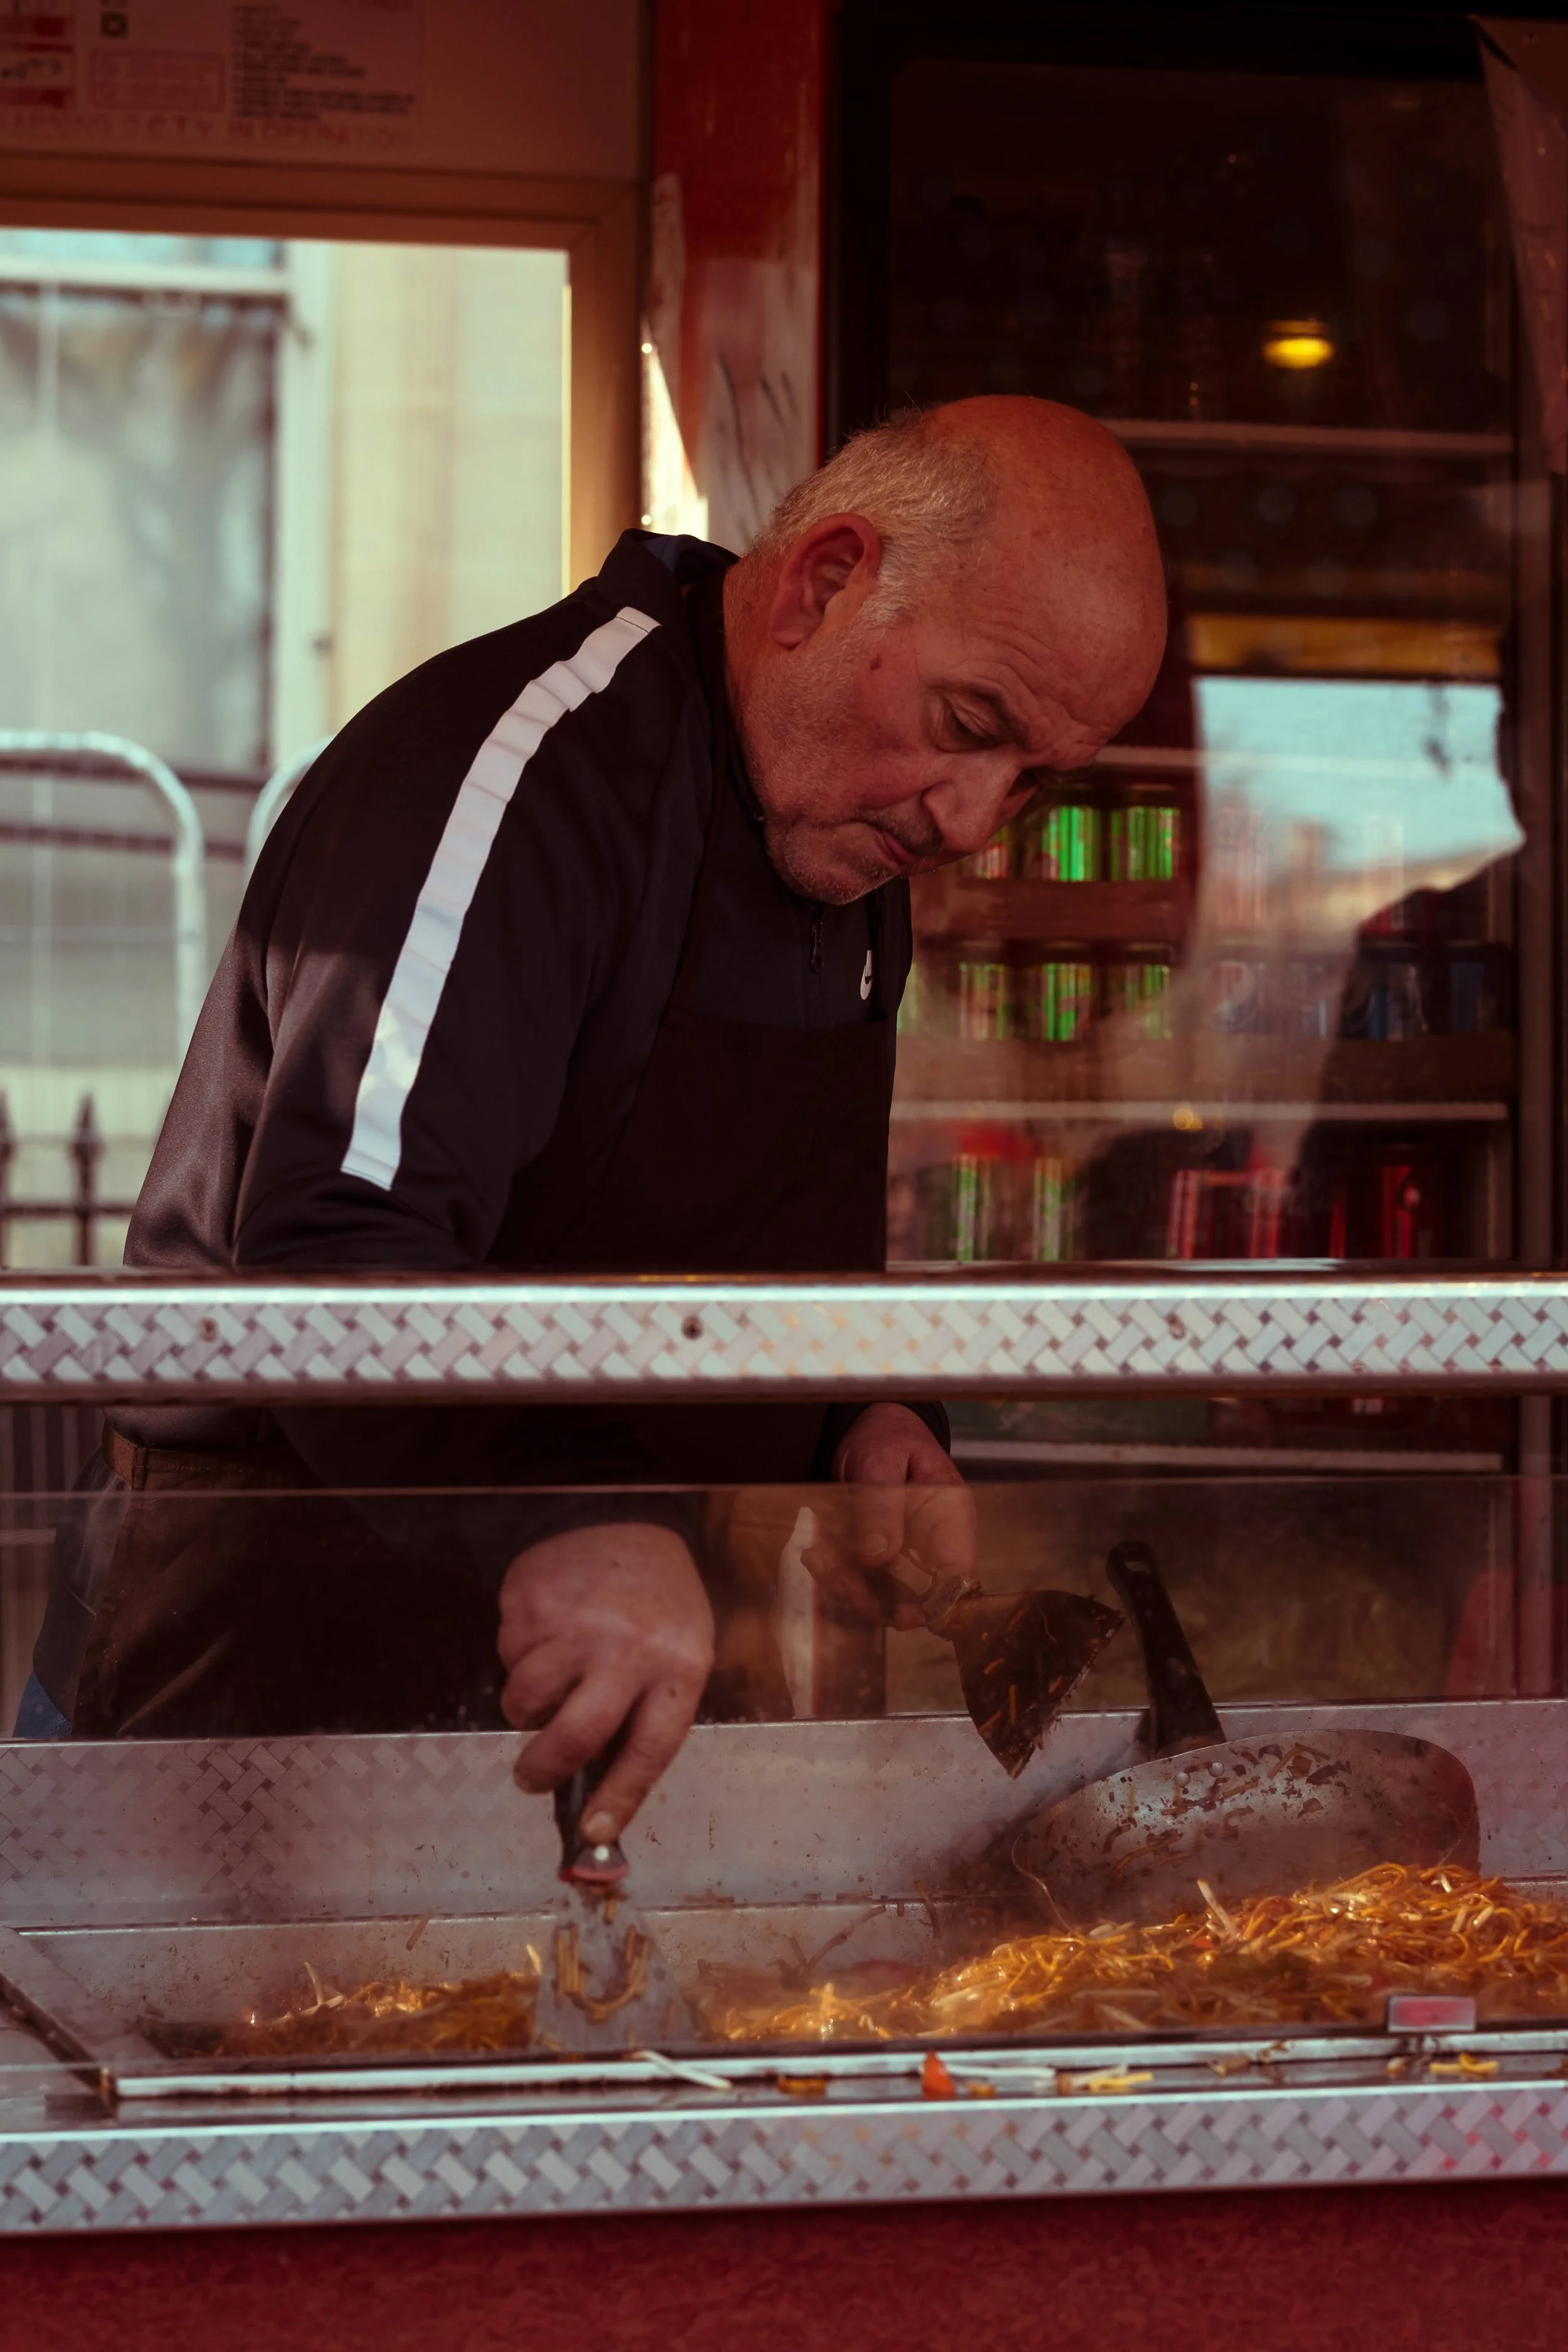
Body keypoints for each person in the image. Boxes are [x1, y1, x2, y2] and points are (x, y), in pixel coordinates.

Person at [21, 395, 1166, 1846]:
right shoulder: (514, 770)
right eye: (967, 728)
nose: (972, 820)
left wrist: (869, 1412)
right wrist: (550, 1524)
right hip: (266, 1626)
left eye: (1032, 777)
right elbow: (334, 1256)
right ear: (824, 580)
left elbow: (778, 1250)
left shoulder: (846, 853)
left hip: (615, 1642)